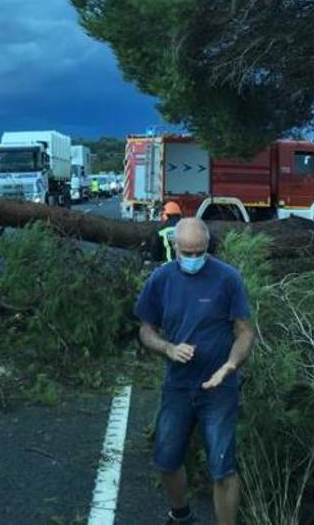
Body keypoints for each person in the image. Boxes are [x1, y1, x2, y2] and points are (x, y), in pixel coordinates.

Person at [135, 217, 254, 525]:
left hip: (219, 388)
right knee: (166, 460)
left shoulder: (227, 278)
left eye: (198, 252)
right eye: (185, 252)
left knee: (222, 468)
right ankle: (181, 515)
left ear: (207, 247)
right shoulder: (160, 280)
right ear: (174, 246)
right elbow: (146, 330)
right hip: (177, 385)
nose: (192, 259)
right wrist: (168, 348)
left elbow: (244, 332)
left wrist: (229, 366)